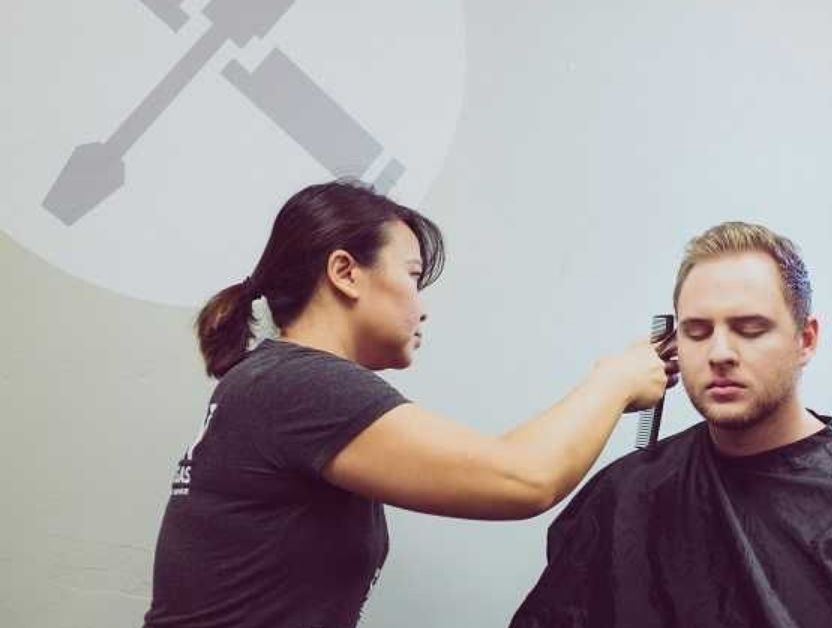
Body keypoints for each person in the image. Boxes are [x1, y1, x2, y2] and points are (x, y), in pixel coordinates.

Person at [142, 180, 677, 628]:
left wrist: (614, 385)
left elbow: (502, 461)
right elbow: (523, 479)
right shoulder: (302, 385)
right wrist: (613, 381)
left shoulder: (273, 381)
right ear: (345, 272)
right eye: (413, 276)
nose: (422, 308)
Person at [511, 222, 832, 628]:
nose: (720, 353)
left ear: (806, 339)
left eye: (750, 329)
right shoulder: (625, 496)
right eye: (697, 332)